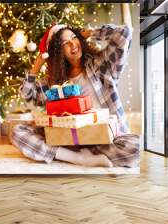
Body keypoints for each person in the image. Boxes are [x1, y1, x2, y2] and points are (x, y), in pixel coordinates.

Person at [11, 4, 140, 167]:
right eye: (65, 43)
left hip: (103, 137)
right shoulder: (53, 83)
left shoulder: (101, 66)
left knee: (135, 148)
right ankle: (78, 158)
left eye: (74, 37)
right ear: (58, 52)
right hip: (68, 138)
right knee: (18, 132)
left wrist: (90, 33)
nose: (73, 44)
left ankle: (74, 154)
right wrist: (37, 66)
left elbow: (125, 33)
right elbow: (27, 95)